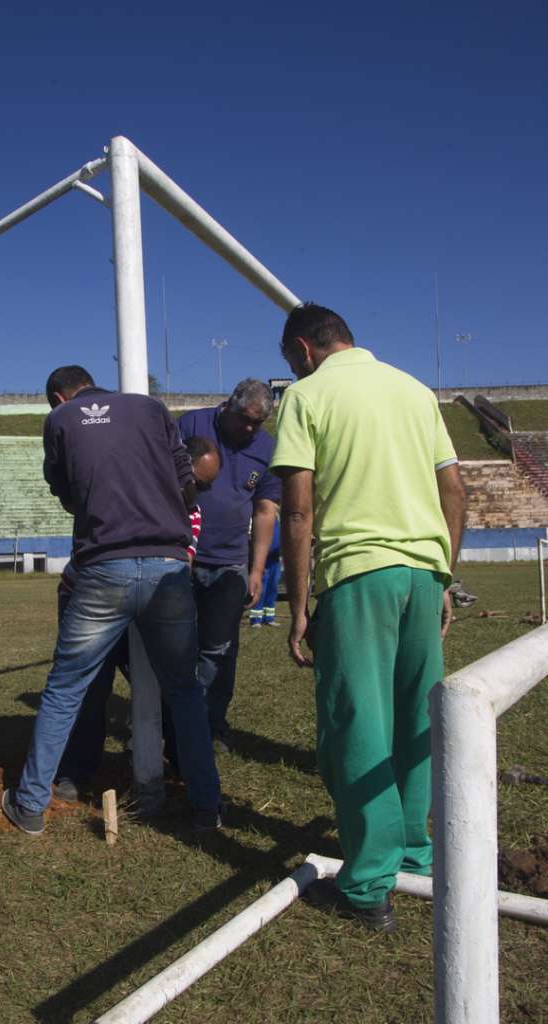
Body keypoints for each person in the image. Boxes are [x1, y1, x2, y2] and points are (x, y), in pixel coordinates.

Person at [270, 303, 465, 933]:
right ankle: (416, 852)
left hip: (359, 572)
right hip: (423, 570)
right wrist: (443, 576)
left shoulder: (305, 396)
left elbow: (298, 512)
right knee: (415, 719)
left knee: (356, 722)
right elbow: (454, 488)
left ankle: (369, 883)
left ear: (302, 349)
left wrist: (299, 606)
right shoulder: (414, 389)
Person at [2, 365, 222, 835]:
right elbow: (188, 487)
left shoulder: (60, 421)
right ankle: (207, 807)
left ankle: (30, 805)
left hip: (104, 566)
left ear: (59, 398)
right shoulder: (151, 407)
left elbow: (68, 497)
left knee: (65, 689)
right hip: (167, 565)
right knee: (184, 690)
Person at [177, 380, 281, 751]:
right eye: (245, 420)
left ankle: (211, 723)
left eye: (259, 423)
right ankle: (174, 724)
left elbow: (266, 509)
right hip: (183, 559)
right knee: (175, 646)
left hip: (231, 564)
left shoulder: (266, 447)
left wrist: (256, 569)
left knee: (220, 650)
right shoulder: (190, 426)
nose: (250, 429)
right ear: (228, 406)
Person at [249, 516, 282, 627]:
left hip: (275, 559)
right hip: (262, 559)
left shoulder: (278, 517)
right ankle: (256, 619)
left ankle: (269, 618)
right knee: (260, 588)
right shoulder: (260, 515)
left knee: (273, 588)